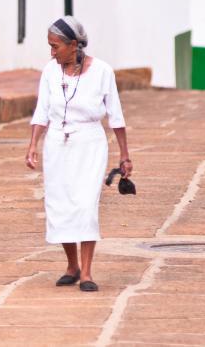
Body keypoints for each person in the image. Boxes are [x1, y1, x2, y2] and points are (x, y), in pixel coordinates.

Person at [24, 16, 132, 292]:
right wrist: (33, 144)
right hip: (57, 144)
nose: (51, 52)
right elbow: (42, 111)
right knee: (59, 206)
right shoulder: (50, 72)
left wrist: (124, 155)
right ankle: (71, 265)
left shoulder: (103, 72)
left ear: (74, 45)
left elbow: (115, 116)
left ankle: (86, 272)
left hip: (89, 144)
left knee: (85, 205)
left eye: (55, 46)